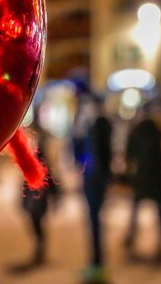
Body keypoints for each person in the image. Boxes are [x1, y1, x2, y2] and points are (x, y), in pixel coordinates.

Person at [8, 110, 59, 273]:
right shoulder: (34, 145)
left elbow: (47, 171)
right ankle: (39, 250)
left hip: (38, 190)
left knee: (36, 220)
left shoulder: (40, 147)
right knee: (34, 220)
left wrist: (55, 192)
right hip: (33, 188)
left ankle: (40, 251)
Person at [123, 98, 161, 263]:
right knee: (159, 211)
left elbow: (128, 156)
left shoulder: (136, 130)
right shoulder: (160, 130)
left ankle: (131, 240)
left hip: (142, 177)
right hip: (158, 176)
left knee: (136, 209)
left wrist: (131, 173)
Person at [72, 92, 113, 284]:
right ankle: (96, 262)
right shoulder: (95, 123)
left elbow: (93, 153)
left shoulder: (98, 124)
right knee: (93, 220)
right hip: (93, 178)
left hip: (95, 180)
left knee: (94, 220)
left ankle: (97, 264)